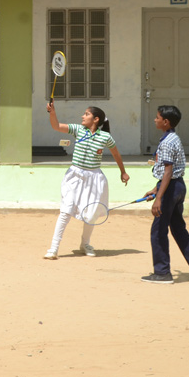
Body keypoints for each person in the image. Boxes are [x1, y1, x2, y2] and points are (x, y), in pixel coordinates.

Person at [44, 102, 129, 259]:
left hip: (94, 179)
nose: (82, 116)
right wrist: (52, 112)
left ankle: (85, 244)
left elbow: (116, 154)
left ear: (96, 119)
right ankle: (53, 248)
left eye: (86, 114)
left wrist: (123, 172)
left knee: (91, 215)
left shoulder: (105, 137)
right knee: (66, 211)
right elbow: (56, 126)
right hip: (74, 177)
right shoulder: (78, 129)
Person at [141, 105, 189, 284]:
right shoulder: (173, 137)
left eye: (157, 117)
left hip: (171, 187)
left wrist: (159, 198)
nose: (155, 119)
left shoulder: (166, 142)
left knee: (158, 231)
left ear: (165, 122)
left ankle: (162, 272)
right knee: (178, 228)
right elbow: (169, 173)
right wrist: (156, 188)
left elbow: (168, 171)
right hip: (177, 187)